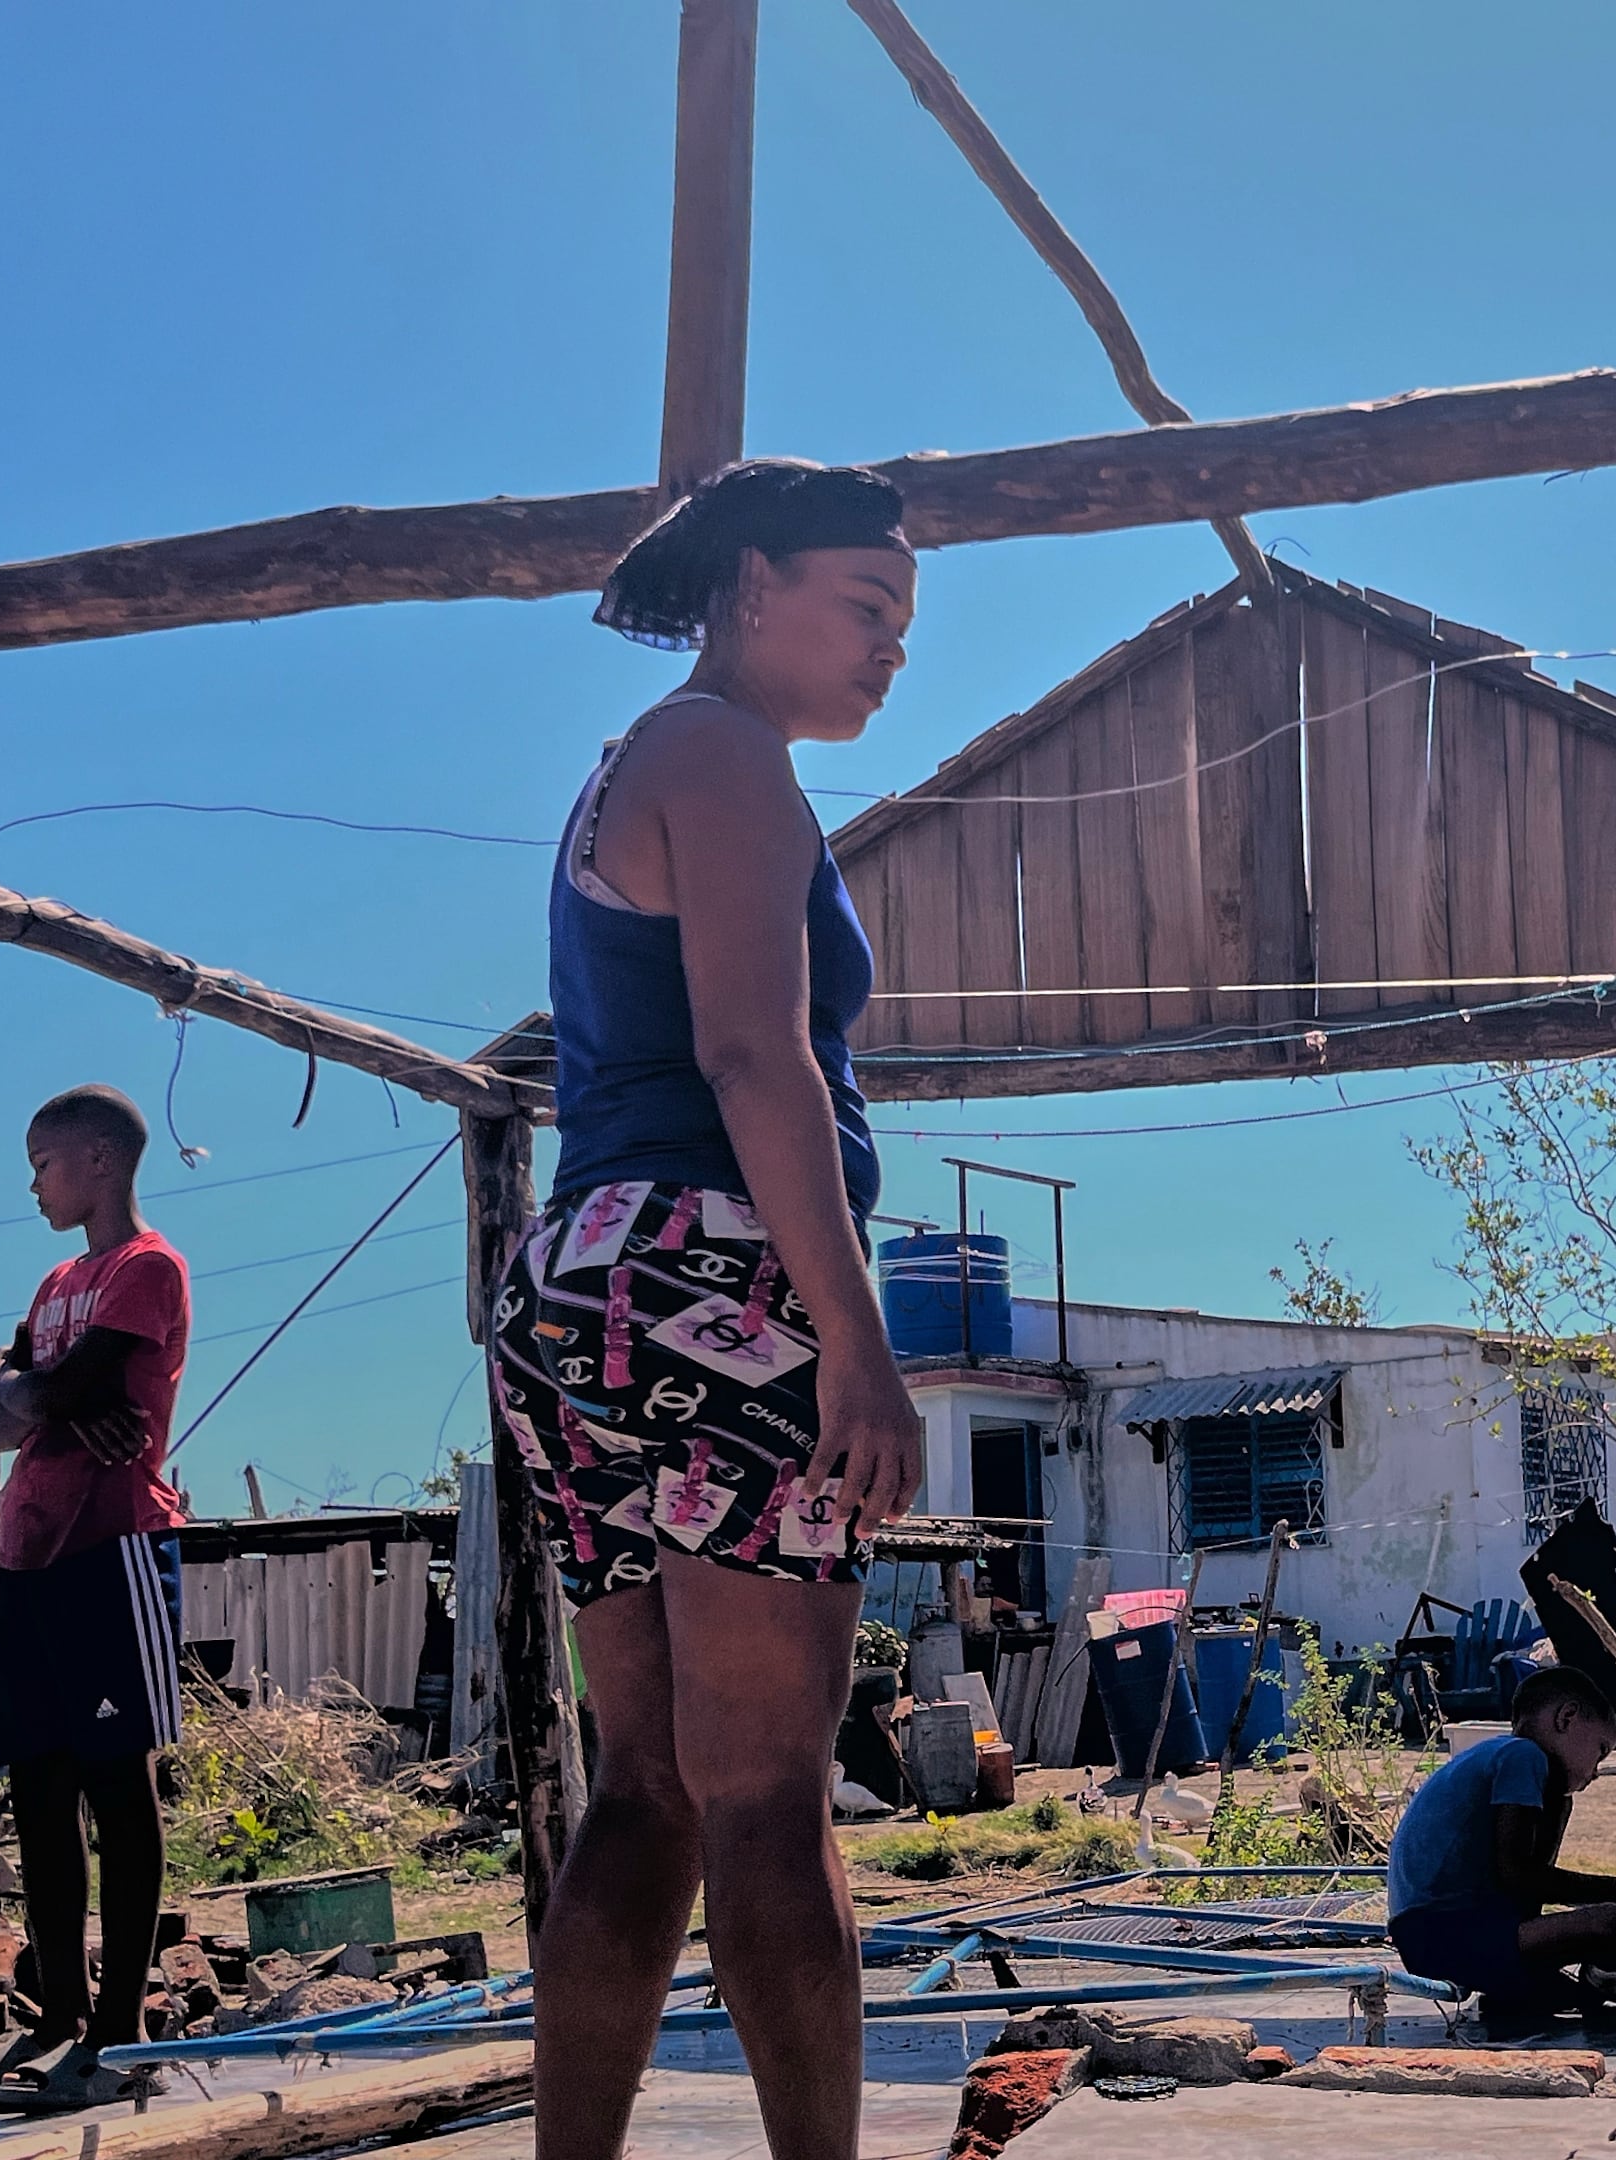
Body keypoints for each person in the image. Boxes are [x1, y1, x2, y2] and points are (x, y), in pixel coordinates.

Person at [492, 458, 926, 2160]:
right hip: (711, 1273)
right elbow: (755, 1053)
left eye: (905, 627)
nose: (892, 653)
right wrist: (861, 1345)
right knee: (768, 1793)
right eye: (866, 608)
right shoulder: (727, 755)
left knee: (651, 1792)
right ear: (754, 586)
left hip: (580, 1279)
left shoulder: (628, 775)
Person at [0, 1083, 192, 2110]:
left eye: (43, 1163)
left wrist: (35, 1394)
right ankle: (54, 2016)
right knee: (38, 1789)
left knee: (115, 1783)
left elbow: (37, 1396)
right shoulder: (59, 1279)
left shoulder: (148, 1268)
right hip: (31, 1548)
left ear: (98, 1159)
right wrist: (30, 1392)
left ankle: (120, 2030)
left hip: (114, 1542)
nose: (34, 1183)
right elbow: (14, 1399)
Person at [1385, 1665, 1616, 2038]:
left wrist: (1559, 1805)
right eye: (1600, 1751)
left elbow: (1519, 1883)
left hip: (1433, 1938)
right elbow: (1519, 1876)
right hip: (1446, 1936)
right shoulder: (1522, 1757)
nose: (1596, 1771)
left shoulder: (1501, 1759)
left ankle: (1589, 1983)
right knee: (1615, 1927)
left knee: (1559, 1991)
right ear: (1566, 1718)